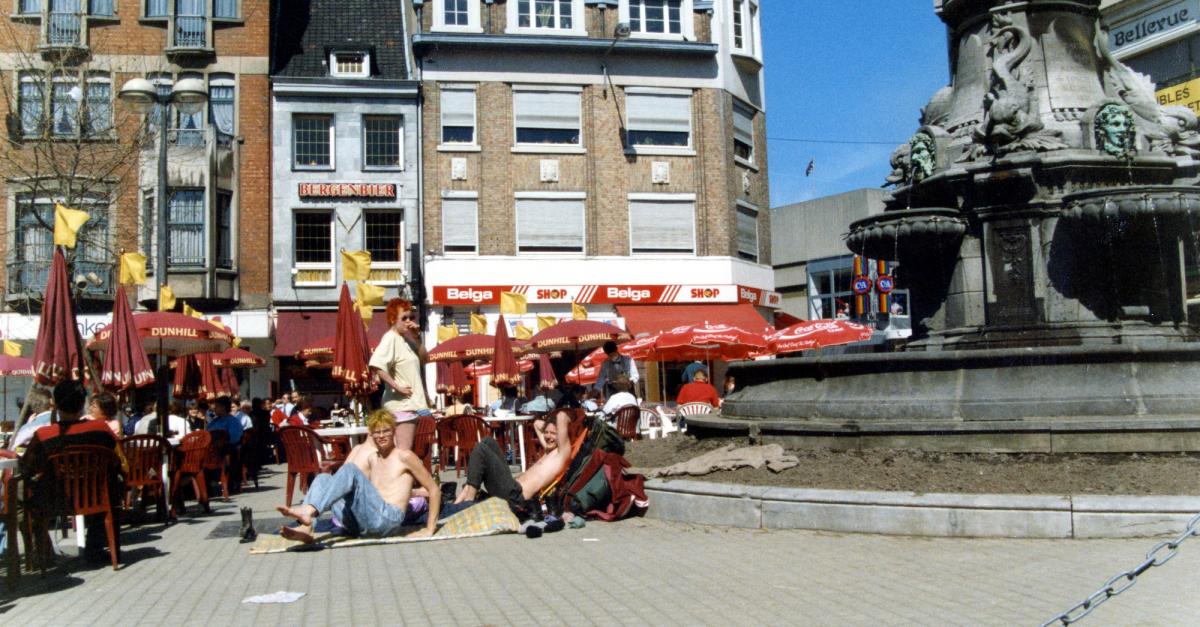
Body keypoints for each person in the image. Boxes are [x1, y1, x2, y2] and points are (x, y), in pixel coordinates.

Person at [276, 410, 440, 543]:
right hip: (364, 522)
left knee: (351, 469)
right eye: (377, 432)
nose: (381, 436)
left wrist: (429, 528)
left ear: (394, 432)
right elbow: (360, 489)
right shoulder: (372, 458)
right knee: (323, 479)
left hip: (388, 519)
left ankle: (309, 510)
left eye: (386, 431)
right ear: (371, 434)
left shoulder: (404, 456)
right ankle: (307, 527)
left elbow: (434, 490)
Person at [20, 380, 126, 562]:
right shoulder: (101, 430)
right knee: (114, 483)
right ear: (82, 404)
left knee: (21, 492)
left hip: (56, 500)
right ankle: (96, 547)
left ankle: (43, 553)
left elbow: (27, 468)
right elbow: (121, 464)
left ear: (56, 404)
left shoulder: (44, 435)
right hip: (97, 497)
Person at [453, 407, 574, 517]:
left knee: (481, 450)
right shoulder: (549, 449)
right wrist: (551, 425)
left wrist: (576, 419)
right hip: (510, 487)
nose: (548, 436)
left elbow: (562, 416)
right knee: (488, 441)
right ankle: (468, 488)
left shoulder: (562, 454)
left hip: (516, 497)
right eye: (546, 432)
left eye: (553, 433)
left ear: (562, 436)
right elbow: (537, 424)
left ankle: (469, 499)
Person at [369, 298, 430, 451]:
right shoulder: (390, 338)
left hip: (412, 406)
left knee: (404, 453)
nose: (408, 321)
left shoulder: (406, 340)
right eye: (404, 318)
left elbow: (425, 359)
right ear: (392, 319)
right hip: (401, 407)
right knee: (403, 453)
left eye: (411, 317)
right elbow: (376, 364)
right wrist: (397, 387)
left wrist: (416, 337)